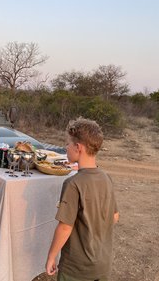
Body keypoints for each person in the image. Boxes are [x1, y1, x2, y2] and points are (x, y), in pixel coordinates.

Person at [45, 117, 119, 281]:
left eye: (68, 144)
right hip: (102, 265)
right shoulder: (106, 178)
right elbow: (114, 217)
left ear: (78, 147)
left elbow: (65, 227)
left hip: (76, 269)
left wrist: (51, 256)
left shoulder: (72, 184)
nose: (66, 148)